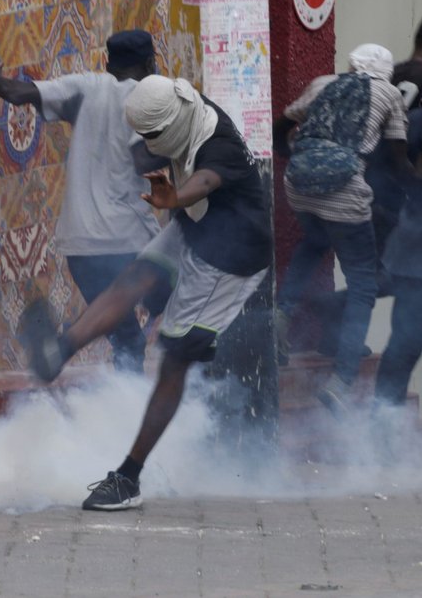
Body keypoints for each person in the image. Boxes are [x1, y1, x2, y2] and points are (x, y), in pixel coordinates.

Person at [19, 75, 272, 510]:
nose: (146, 147)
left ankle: (128, 479)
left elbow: (206, 181)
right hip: (194, 228)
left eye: (152, 139)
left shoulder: (219, 146)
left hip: (228, 262)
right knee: (134, 277)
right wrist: (176, 202)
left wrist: (175, 198)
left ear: (171, 127)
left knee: (173, 359)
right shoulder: (181, 107)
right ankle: (57, 352)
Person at [0, 25, 162, 374]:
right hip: (126, 240)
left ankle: (99, 390)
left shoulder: (85, 87)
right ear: (151, 64)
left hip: (80, 246)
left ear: (108, 63)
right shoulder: (146, 98)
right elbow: (143, 161)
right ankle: (72, 360)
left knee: (127, 339)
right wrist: (176, 148)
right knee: (175, 285)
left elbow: (17, 93)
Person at [275, 44, 422, 413]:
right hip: (344, 192)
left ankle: (280, 316)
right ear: (386, 73)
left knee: (314, 240)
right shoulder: (389, 94)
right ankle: (342, 380)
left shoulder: (323, 82)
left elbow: (283, 124)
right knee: (363, 284)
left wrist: (293, 159)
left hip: (299, 185)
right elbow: (397, 158)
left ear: (352, 65)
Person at [373, 43, 422, 411]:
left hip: (415, 251)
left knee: (403, 346)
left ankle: (380, 432)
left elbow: (395, 172)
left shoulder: (416, 119)